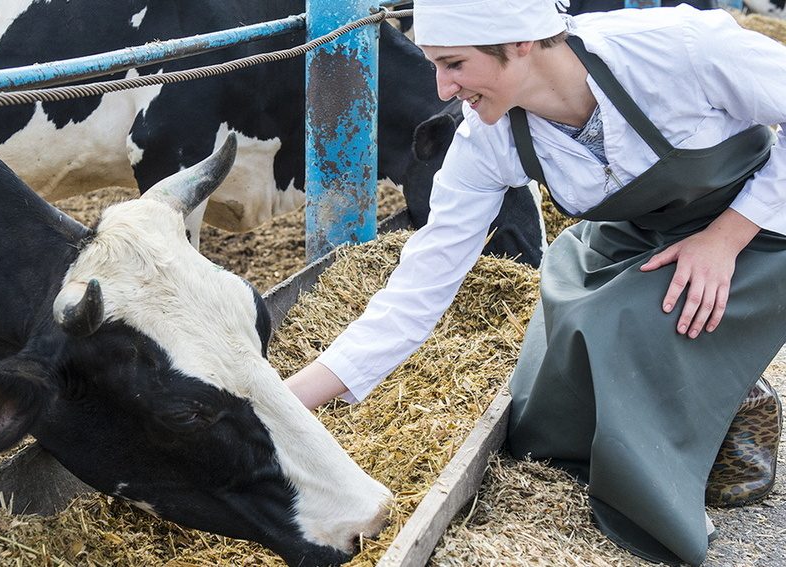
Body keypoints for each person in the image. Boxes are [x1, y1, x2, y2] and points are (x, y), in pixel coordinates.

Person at [285, 1, 786, 564]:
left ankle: (737, 397)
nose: (443, 89)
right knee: (543, 411)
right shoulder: (487, 139)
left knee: (614, 327)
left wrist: (728, 237)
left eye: (453, 64)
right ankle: (709, 385)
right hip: (639, 233)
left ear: (520, 41)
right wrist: (284, 400)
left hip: (762, 222)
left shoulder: (680, 48)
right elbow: (420, 285)